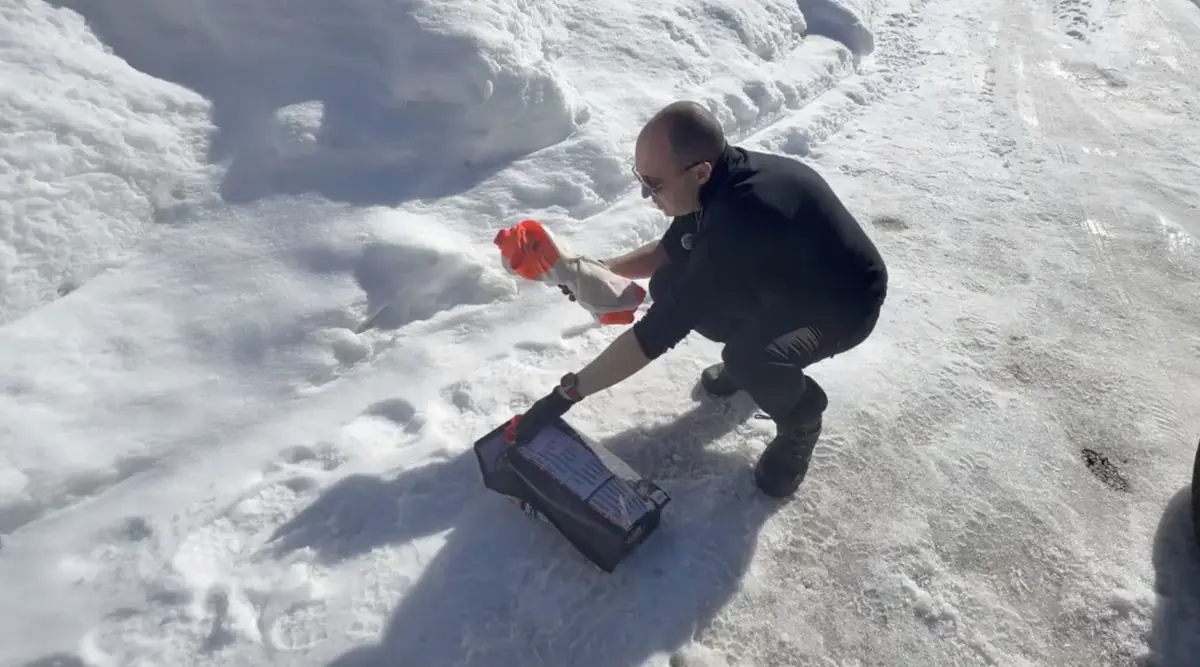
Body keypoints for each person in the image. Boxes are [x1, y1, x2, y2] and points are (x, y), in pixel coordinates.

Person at [507, 100, 887, 498]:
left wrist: (564, 396)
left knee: (748, 356)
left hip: (845, 303)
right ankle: (757, 365)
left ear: (700, 171)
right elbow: (670, 251)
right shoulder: (717, 178)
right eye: (641, 178)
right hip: (788, 281)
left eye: (653, 184)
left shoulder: (740, 220)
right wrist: (593, 269)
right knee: (670, 282)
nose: (644, 194)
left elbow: (655, 334)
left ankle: (801, 417)